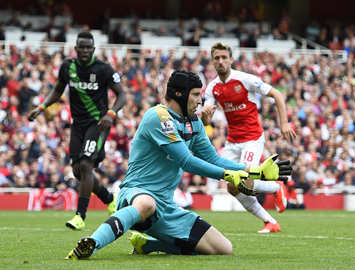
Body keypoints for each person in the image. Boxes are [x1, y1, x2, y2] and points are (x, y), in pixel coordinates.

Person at [65, 70, 292, 259]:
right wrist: (227, 175)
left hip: (166, 206)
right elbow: (186, 161)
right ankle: (91, 243)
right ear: (179, 94)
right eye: (195, 95)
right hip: (136, 193)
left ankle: (149, 245)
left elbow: (212, 158)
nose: (200, 101)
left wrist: (253, 172)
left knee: (223, 249)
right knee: (146, 204)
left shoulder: (194, 122)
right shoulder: (159, 117)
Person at [28, 32, 126, 230]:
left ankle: (80, 216)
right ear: (76, 47)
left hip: (98, 124)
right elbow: (57, 90)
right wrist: (41, 108)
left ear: (93, 49)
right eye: (81, 47)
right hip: (78, 124)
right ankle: (109, 198)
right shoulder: (68, 67)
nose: (85, 51)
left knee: (87, 165)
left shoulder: (103, 69)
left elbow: (121, 94)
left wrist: (111, 114)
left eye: (88, 47)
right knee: (77, 171)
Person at [201, 42, 297, 233]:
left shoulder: (245, 79)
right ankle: (270, 221)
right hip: (232, 141)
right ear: (212, 61)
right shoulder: (212, 88)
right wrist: (205, 114)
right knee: (231, 187)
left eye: (223, 57)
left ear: (231, 59)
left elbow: (277, 94)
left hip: (252, 139)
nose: (220, 61)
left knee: (247, 181)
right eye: (216, 58)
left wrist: (284, 123)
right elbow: (206, 121)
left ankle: (276, 186)